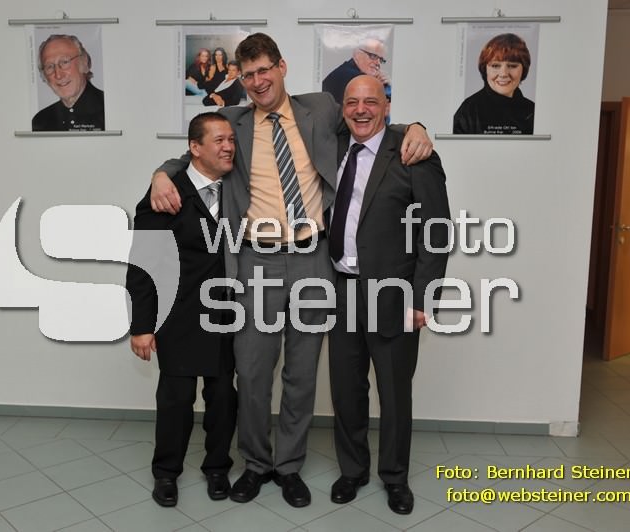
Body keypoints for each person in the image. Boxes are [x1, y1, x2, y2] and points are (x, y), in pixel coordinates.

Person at [150, 32, 433, 509]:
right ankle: (256, 464)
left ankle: (288, 466)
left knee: (302, 374)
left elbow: (368, 119)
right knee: (252, 372)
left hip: (313, 259)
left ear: (281, 67)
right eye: (248, 75)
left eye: (265, 70)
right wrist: (162, 172)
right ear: (241, 79)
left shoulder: (320, 107)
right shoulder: (234, 121)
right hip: (255, 260)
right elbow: (192, 152)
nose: (258, 81)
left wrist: (417, 126)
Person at [327, 75, 450, 515]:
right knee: (346, 390)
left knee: (395, 394)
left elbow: (437, 233)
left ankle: (395, 477)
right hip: (341, 291)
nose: (360, 110)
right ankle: (353, 470)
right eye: (352, 102)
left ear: (386, 106)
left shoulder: (413, 153)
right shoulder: (332, 146)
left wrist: (422, 299)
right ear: (342, 108)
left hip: (394, 295)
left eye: (370, 102)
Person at [126, 112, 238, 507]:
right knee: (176, 399)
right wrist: (141, 326)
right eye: (219, 140)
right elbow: (142, 265)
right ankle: (166, 473)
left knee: (223, 397)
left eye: (231, 140)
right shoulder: (165, 194)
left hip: (227, 314)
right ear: (195, 147)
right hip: (178, 315)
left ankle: (217, 467)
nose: (228, 147)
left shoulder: (238, 189)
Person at [453, 33, 534, 135]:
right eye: (495, 66)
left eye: (512, 66)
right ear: (485, 69)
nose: (503, 74)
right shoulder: (468, 111)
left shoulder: (532, 110)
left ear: (524, 69)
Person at [32, 34, 105, 131]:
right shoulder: (41, 121)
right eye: (49, 67)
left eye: (65, 62)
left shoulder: (109, 108)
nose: (58, 75)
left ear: (84, 63)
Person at [322, 37, 391, 106]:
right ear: (357, 54)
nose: (378, 63)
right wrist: (378, 87)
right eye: (373, 56)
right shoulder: (353, 76)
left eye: (381, 59)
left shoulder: (347, 70)